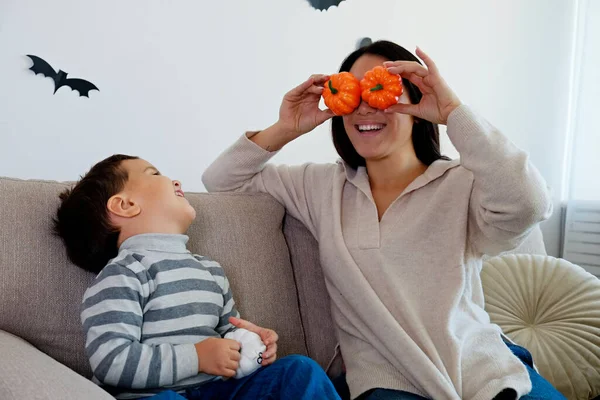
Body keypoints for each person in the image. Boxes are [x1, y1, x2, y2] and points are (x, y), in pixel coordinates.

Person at [201, 40, 565, 400]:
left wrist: (453, 111)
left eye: (379, 93)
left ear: (416, 102)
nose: (363, 109)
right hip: (388, 381)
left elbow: (529, 204)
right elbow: (222, 180)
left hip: (487, 371)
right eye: (352, 94)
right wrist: (287, 127)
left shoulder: (462, 183)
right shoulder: (322, 187)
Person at [53, 154, 341, 400]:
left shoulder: (210, 270)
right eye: (155, 174)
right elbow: (112, 361)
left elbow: (226, 335)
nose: (175, 181)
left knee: (299, 370)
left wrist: (251, 344)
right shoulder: (123, 275)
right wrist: (198, 357)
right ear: (125, 205)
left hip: (218, 391)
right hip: (154, 396)